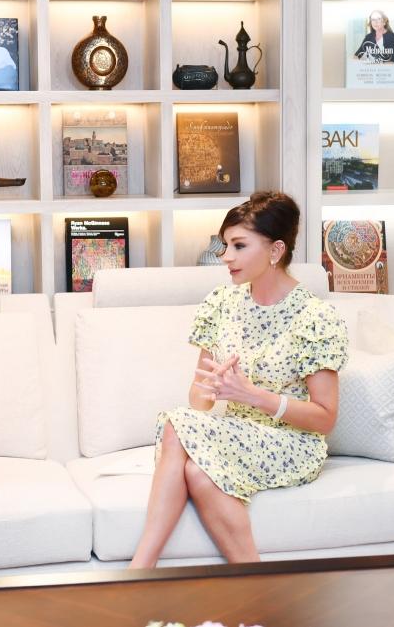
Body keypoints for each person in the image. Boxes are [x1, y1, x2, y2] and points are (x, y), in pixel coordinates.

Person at [129, 191, 349, 568]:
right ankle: (255, 581)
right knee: (196, 469)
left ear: (276, 250)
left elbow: (325, 418)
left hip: (293, 444)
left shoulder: (315, 318)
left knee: (175, 425)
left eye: (239, 245)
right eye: (225, 245)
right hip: (237, 434)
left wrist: (253, 395)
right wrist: (212, 388)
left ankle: (139, 570)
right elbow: (199, 400)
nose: (226, 256)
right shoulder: (222, 303)